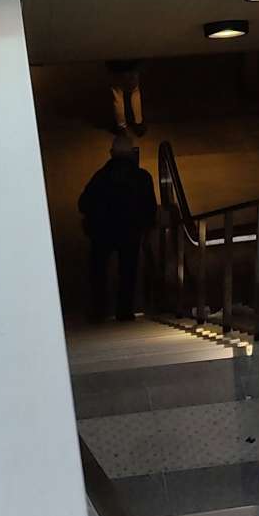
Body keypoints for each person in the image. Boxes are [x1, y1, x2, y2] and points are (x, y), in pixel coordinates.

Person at [79, 133, 157, 324]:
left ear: (111, 153)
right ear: (131, 153)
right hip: (130, 230)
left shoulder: (100, 177)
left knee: (98, 270)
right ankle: (124, 310)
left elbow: (83, 203)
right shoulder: (142, 177)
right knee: (128, 271)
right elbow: (150, 207)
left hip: (102, 230)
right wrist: (146, 226)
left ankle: (99, 309)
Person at [106, 59, 145, 137]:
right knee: (135, 93)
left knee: (117, 96)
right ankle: (138, 124)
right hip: (132, 65)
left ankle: (122, 127)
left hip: (116, 67)